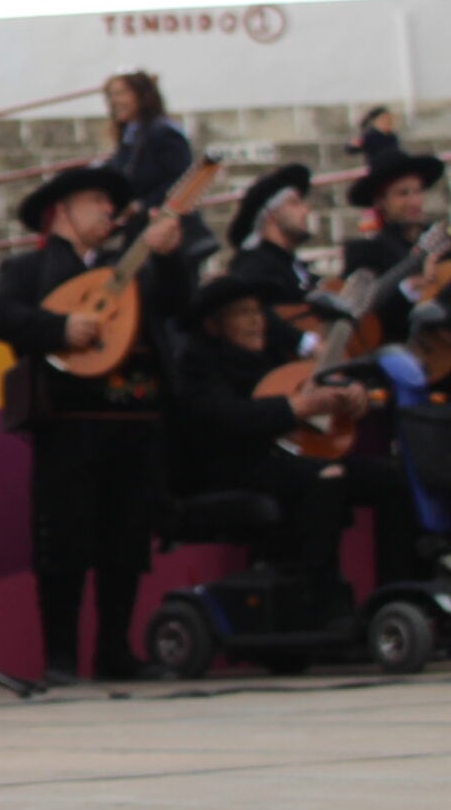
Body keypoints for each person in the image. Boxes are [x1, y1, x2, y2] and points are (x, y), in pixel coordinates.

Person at [0, 166, 189, 683]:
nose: (107, 210)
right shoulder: (29, 269)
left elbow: (179, 304)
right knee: (64, 544)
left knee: (126, 543)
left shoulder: (130, 269)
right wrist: (58, 328)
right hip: (68, 425)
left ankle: (115, 652)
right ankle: (61, 658)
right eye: (95, 199)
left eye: (109, 202)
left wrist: (170, 256)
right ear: (62, 210)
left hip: (134, 421)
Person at [171, 276, 400, 597]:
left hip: (285, 457)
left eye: (257, 312)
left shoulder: (273, 356)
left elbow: (315, 394)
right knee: (326, 476)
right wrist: (298, 407)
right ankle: (318, 594)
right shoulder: (197, 365)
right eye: (241, 313)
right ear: (213, 325)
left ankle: (396, 589)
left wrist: (349, 397)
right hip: (229, 468)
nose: (255, 322)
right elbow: (231, 418)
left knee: (392, 478)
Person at [342, 151, 445, 345]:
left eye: (418, 191)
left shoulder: (441, 240)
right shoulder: (365, 251)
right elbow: (364, 315)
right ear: (382, 201)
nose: (414, 202)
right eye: (403, 193)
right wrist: (411, 289)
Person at [222, 163, 321, 363]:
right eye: (294, 203)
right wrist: (303, 341)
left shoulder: (292, 265)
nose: (305, 210)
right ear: (270, 214)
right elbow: (251, 311)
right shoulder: (253, 264)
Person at [102, 71, 192, 209]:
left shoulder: (164, 134)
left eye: (121, 93)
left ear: (142, 95)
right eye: (111, 95)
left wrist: (142, 204)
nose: (114, 101)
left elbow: (182, 179)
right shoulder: (131, 135)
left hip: (165, 221)